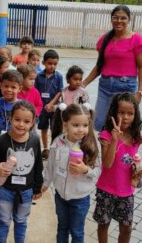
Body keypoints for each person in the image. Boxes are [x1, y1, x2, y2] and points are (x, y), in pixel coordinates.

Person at [42, 104, 101, 243]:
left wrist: (85, 170)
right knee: (62, 228)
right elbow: (50, 166)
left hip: (80, 199)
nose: (81, 129)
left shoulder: (90, 146)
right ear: (65, 124)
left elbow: (98, 171)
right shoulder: (58, 143)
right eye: (76, 125)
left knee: (77, 231)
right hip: (61, 197)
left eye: (85, 125)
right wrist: (44, 184)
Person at [82, 5, 142, 132]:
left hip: (126, 87)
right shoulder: (105, 39)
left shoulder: (136, 40)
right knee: (100, 123)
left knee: (122, 124)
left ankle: (121, 152)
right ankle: (105, 151)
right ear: (111, 19)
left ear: (129, 20)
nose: (119, 21)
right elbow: (99, 66)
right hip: (105, 86)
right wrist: (84, 84)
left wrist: (140, 92)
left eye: (123, 18)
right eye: (115, 17)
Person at [93, 93, 142, 243]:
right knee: (103, 225)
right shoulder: (106, 135)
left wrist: (138, 170)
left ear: (136, 115)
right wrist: (115, 139)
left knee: (127, 228)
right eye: (122, 112)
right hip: (106, 190)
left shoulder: (135, 138)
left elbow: (131, 161)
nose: (126, 117)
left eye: (130, 113)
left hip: (126, 191)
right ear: (114, 113)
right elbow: (107, 164)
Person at [0, 101, 43, 243]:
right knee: (3, 220)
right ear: (10, 119)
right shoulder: (2, 140)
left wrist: (37, 188)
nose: (21, 124)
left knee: (21, 221)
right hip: (5, 189)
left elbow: (38, 165)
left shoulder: (35, 140)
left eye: (26, 121)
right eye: (17, 119)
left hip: (26, 191)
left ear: (32, 123)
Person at [34, 49, 63, 160]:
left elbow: (60, 91)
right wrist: (40, 105)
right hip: (42, 108)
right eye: (49, 63)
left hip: (54, 108)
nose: (52, 66)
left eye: (55, 64)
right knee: (43, 128)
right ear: (44, 63)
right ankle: (45, 149)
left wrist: (51, 103)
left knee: (54, 129)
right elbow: (36, 91)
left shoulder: (59, 77)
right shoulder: (38, 76)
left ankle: (53, 149)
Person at [51, 65, 90, 141]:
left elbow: (87, 105)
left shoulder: (83, 92)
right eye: (75, 79)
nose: (78, 82)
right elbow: (61, 104)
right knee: (65, 135)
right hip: (65, 118)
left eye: (80, 79)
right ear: (68, 80)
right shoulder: (63, 91)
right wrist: (54, 107)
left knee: (76, 136)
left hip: (77, 118)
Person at [0, 70, 23, 142]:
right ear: (0, 86)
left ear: (19, 89)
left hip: (15, 143)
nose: (9, 89)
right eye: (6, 86)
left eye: (13, 87)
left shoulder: (22, 107)